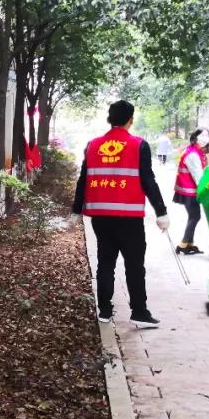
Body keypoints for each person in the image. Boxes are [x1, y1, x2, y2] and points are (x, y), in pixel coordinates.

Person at [72, 100, 170, 329]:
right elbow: (148, 180)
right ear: (130, 120)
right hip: (129, 218)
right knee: (134, 265)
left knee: (105, 262)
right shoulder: (138, 145)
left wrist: (76, 209)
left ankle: (104, 311)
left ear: (110, 119)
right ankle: (139, 312)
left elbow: (83, 179)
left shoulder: (93, 145)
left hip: (101, 217)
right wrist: (161, 212)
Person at [172, 128, 209, 255]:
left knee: (193, 216)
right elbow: (198, 176)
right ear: (196, 138)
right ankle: (183, 245)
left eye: (207, 136)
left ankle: (189, 244)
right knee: (195, 216)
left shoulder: (195, 151)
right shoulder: (193, 154)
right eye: (203, 136)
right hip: (188, 191)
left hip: (187, 190)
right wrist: (207, 189)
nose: (206, 139)